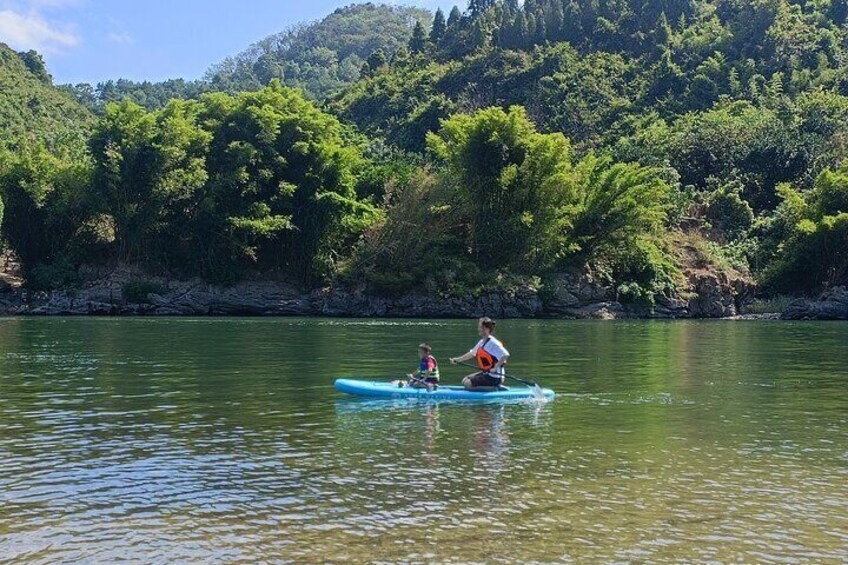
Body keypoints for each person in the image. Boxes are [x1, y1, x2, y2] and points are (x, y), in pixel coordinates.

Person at [450, 317, 510, 392]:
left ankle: (494, 389)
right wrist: (458, 360)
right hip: (487, 374)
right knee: (465, 380)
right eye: (480, 327)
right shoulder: (482, 342)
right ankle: (494, 387)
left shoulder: (493, 343)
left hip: (495, 377)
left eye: (482, 327)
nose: (480, 329)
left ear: (488, 329)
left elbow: (505, 354)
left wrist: (495, 368)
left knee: (468, 384)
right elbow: (472, 353)